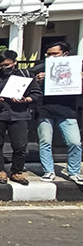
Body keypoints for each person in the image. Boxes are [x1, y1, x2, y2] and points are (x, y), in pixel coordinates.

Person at [0, 50, 42, 185]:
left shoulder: (26, 75)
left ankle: (16, 171)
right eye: (1, 66)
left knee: (20, 146)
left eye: (7, 65)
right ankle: (0, 170)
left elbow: (36, 93)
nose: (4, 68)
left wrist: (25, 99)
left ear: (14, 62)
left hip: (19, 114)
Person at [32, 41, 83, 184]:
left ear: (65, 54)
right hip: (45, 109)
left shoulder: (77, 66)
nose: (51, 57)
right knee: (45, 141)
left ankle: (73, 171)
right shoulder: (41, 68)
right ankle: (48, 171)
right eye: (48, 54)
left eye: (55, 54)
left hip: (68, 109)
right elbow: (29, 84)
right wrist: (38, 80)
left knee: (75, 142)